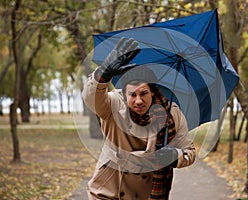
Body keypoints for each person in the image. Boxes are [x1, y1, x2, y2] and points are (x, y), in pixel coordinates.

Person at [82, 37, 196, 200]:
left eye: (143, 93)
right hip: (109, 190)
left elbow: (189, 152)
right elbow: (90, 97)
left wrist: (174, 155)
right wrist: (103, 73)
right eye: (132, 95)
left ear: (153, 91)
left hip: (148, 193)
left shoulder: (172, 112)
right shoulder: (113, 104)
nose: (138, 101)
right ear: (124, 93)